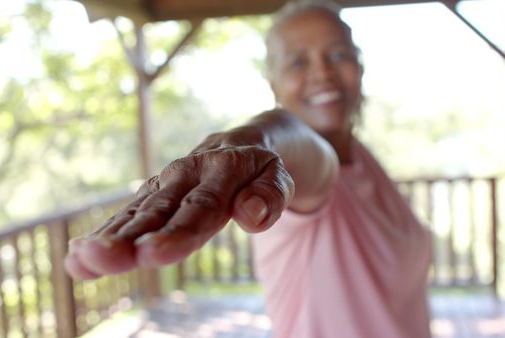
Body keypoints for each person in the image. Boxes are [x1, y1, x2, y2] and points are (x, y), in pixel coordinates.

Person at [65, 1, 432, 337]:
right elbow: (303, 150)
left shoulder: (362, 156)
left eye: (338, 54)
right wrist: (254, 140)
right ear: (274, 84)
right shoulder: (296, 174)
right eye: (297, 62)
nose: (323, 72)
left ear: (360, 65)